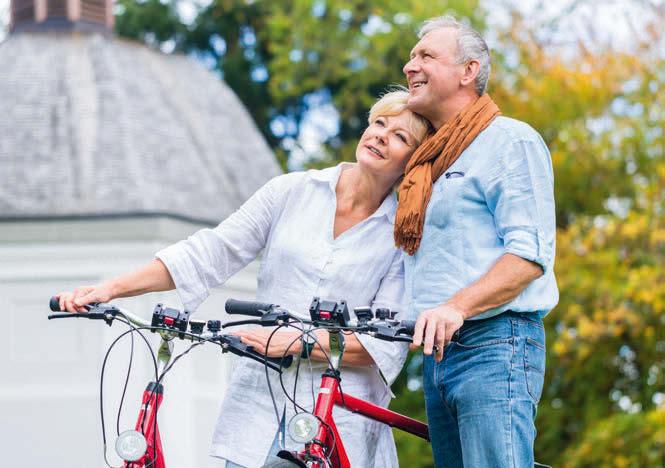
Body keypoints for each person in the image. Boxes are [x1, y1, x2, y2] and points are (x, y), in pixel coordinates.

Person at [56, 89, 430, 468]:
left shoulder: (403, 235)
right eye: (380, 123)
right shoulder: (292, 191)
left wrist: (293, 343)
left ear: (412, 162)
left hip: (338, 417)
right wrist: (109, 288)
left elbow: (384, 342)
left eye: (400, 136)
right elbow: (211, 252)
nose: (382, 135)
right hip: (258, 404)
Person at [394, 16, 559, 468]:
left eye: (426, 55)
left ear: (469, 70)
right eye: (411, 56)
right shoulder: (428, 163)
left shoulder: (509, 141)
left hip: (495, 345)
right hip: (438, 355)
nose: (410, 66)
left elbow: (529, 255)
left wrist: (456, 307)